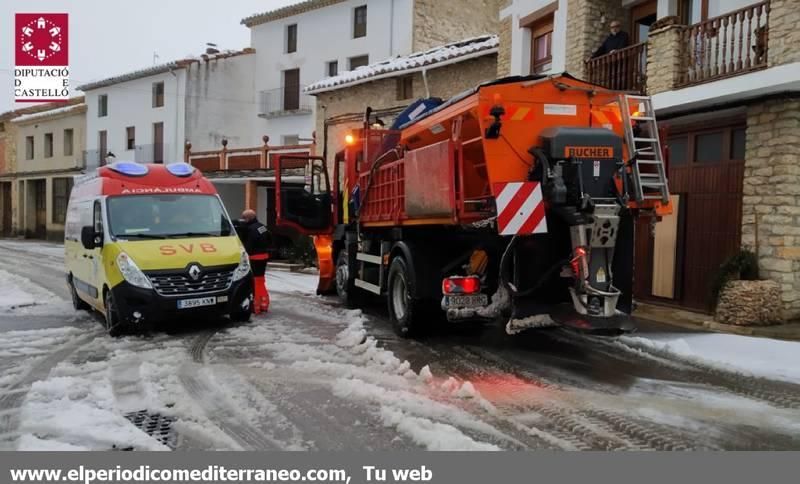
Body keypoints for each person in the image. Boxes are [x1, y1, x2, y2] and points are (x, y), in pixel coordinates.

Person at [237, 209, 271, 314]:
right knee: (261, 280)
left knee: (255, 282)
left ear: (248, 218)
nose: (242, 220)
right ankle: (264, 304)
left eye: (243, 218)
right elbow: (270, 239)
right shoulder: (262, 227)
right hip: (264, 256)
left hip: (254, 258)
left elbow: (248, 245)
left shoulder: (249, 229)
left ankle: (256, 306)